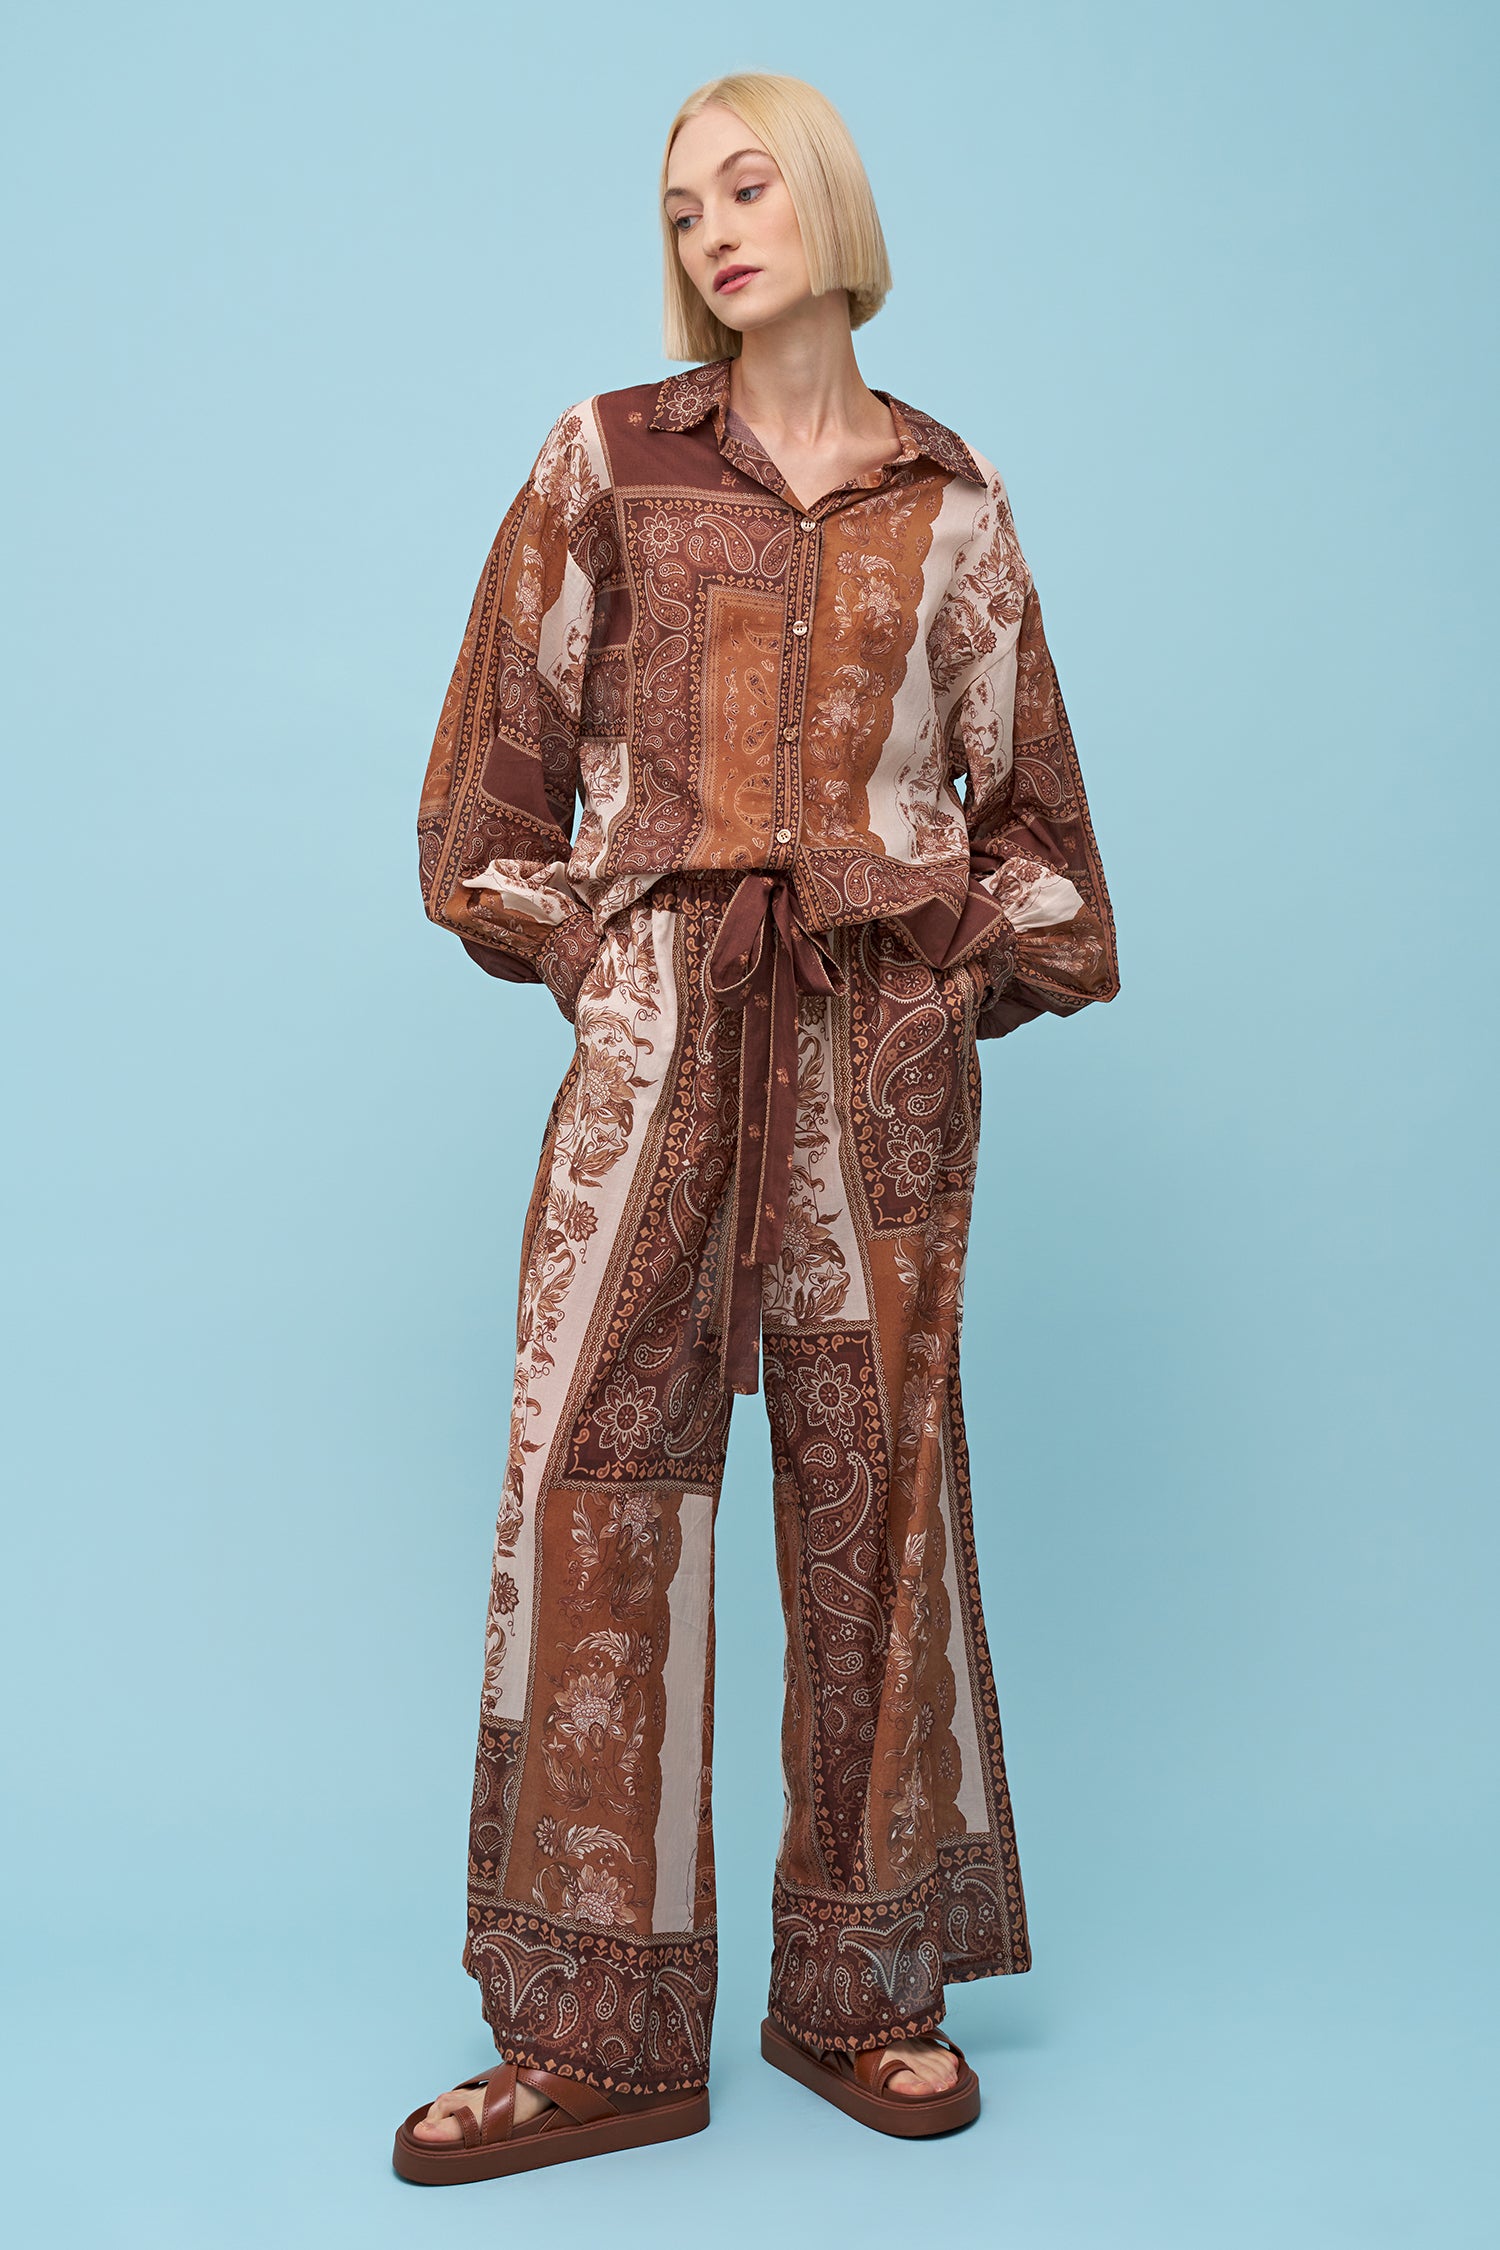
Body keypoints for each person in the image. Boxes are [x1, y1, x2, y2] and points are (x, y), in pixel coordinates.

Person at [392, 69, 1118, 2184]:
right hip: (660, 1058)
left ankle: (860, 1991)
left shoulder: (951, 500)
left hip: (874, 1067)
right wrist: (614, 958)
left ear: (827, 205)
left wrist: (941, 969)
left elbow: (1048, 844)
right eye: (680, 205)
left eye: (746, 185)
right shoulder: (604, 460)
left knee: (872, 1497)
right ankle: (590, 2034)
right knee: (597, 1483)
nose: (713, 229)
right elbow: (482, 797)